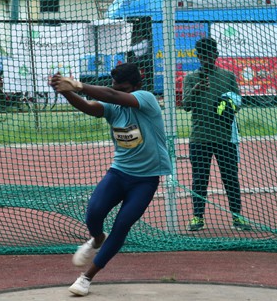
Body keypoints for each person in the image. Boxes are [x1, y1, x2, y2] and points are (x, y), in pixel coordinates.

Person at [50, 63, 172, 297]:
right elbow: (89, 107)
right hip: (119, 172)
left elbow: (112, 95)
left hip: (145, 180)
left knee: (122, 225)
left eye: (123, 88)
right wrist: (66, 91)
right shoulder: (113, 106)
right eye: (115, 86)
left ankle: (86, 278)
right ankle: (97, 239)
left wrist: (77, 84)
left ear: (137, 86)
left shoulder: (146, 99)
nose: (117, 91)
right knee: (93, 213)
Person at [182, 37, 251, 232]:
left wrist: (228, 105)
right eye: (202, 55)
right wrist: (196, 90)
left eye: (209, 55)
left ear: (216, 55)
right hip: (200, 138)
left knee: (230, 178)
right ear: (198, 56)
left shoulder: (228, 76)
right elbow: (186, 105)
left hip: (225, 138)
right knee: (200, 179)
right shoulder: (191, 78)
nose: (205, 59)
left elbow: (238, 101)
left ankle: (237, 217)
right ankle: (197, 217)